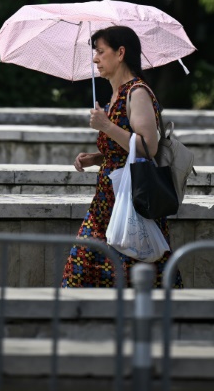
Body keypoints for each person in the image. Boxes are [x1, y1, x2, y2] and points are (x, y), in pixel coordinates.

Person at [61, 25, 183, 288]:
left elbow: (148, 147)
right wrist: (95, 158)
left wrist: (106, 126)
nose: (95, 59)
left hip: (132, 199)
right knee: (87, 271)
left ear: (121, 53)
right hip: (108, 201)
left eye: (101, 52)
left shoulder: (137, 93)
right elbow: (121, 150)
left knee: (130, 270)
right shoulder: (115, 95)